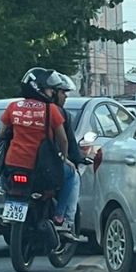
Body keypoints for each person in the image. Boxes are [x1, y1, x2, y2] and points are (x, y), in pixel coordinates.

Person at [0, 67, 76, 235]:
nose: (52, 93)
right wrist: (64, 158)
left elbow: (2, 133)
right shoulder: (51, 110)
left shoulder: (13, 107)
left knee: (5, 181)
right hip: (41, 167)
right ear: (39, 89)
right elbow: (63, 139)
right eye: (50, 89)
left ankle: (8, 208)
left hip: (13, 163)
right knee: (72, 175)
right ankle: (61, 218)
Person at [52, 73, 87, 241]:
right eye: (62, 92)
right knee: (73, 176)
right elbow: (67, 142)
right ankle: (64, 220)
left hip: (17, 165)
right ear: (52, 92)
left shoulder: (17, 108)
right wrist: (71, 158)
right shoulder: (56, 113)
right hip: (47, 165)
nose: (65, 96)